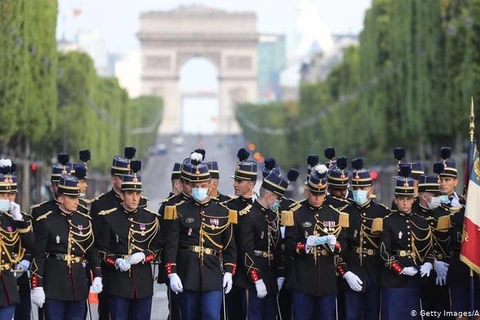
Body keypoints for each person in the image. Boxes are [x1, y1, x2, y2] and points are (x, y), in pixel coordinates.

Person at [163, 152, 237, 320]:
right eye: (196, 186)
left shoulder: (223, 212)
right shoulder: (179, 210)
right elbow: (171, 245)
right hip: (187, 273)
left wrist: (228, 272)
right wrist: (172, 272)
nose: (199, 189)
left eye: (203, 185)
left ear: (211, 185)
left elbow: (230, 246)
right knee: (189, 316)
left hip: (212, 274)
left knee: (211, 315)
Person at [31, 174, 103, 320]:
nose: (77, 201)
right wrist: (37, 285)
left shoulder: (84, 220)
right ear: (61, 198)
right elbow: (38, 256)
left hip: (78, 285)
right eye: (72, 198)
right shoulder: (47, 221)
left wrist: (97, 276)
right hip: (54, 286)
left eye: (78, 197)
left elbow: (91, 252)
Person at [96, 160, 161, 320]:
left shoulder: (150, 218)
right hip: (117, 283)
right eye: (130, 194)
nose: (134, 198)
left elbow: (158, 248)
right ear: (123, 195)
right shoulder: (109, 218)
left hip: (142, 283)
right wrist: (116, 261)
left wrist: (144, 256)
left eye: (137, 194)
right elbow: (102, 250)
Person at [285, 164, 348, 320]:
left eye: (321, 194)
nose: (317, 198)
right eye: (314, 193)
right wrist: (304, 245)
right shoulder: (297, 213)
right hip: (303, 280)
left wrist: (335, 245)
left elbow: (344, 244)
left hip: (326, 280)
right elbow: (288, 245)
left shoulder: (335, 214)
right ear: (307, 192)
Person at [90, 147, 146, 320]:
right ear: (113, 179)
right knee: (107, 313)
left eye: (129, 175)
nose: (126, 180)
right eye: (122, 177)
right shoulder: (100, 204)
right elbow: (96, 240)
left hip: (134, 270)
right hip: (110, 268)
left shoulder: (141, 201)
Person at [379, 165, 435, 320]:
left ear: (413, 199)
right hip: (393, 279)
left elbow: (428, 248)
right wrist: (401, 269)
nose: (405, 203)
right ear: (395, 200)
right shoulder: (388, 221)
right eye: (401, 199)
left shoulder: (421, 222)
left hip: (415, 278)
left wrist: (429, 263)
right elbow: (384, 252)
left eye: (408, 199)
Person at [337, 158, 390, 320]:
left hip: (374, 272)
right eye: (356, 188)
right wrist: (345, 272)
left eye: (363, 187)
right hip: (352, 269)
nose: (358, 191)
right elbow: (339, 246)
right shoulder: (344, 212)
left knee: (372, 314)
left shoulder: (381, 212)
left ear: (370, 188)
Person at [236, 171, 289, 319]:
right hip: (252, 278)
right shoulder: (248, 215)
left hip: (270, 276)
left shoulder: (272, 216)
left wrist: (280, 274)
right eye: (278, 198)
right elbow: (246, 251)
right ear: (269, 196)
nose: (279, 202)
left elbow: (276, 248)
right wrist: (256, 279)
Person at [222, 148, 258, 320]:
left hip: (257, 270)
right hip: (234, 270)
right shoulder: (229, 207)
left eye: (240, 181)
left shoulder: (261, 207)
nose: (235, 184)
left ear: (251, 184)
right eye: (235, 180)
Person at [0, 162, 35, 319]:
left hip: (7, 282)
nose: (7, 199)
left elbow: (31, 245)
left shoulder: (19, 219)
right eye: (2, 195)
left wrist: (19, 220)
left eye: (10, 195)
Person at [416, 170, 453, 319]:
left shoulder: (445, 213)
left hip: (444, 271)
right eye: (435, 195)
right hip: (422, 270)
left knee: (444, 311)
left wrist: (444, 264)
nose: (438, 198)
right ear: (424, 195)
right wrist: (432, 262)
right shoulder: (413, 214)